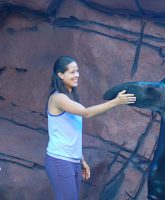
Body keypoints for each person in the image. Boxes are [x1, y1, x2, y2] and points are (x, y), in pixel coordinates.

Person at [44, 56, 136, 200]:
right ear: (60, 75)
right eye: (72, 72)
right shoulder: (58, 98)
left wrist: (81, 160)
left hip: (72, 161)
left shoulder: (69, 98)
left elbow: (71, 133)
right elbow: (87, 112)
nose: (77, 75)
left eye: (77, 71)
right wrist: (116, 102)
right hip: (59, 160)